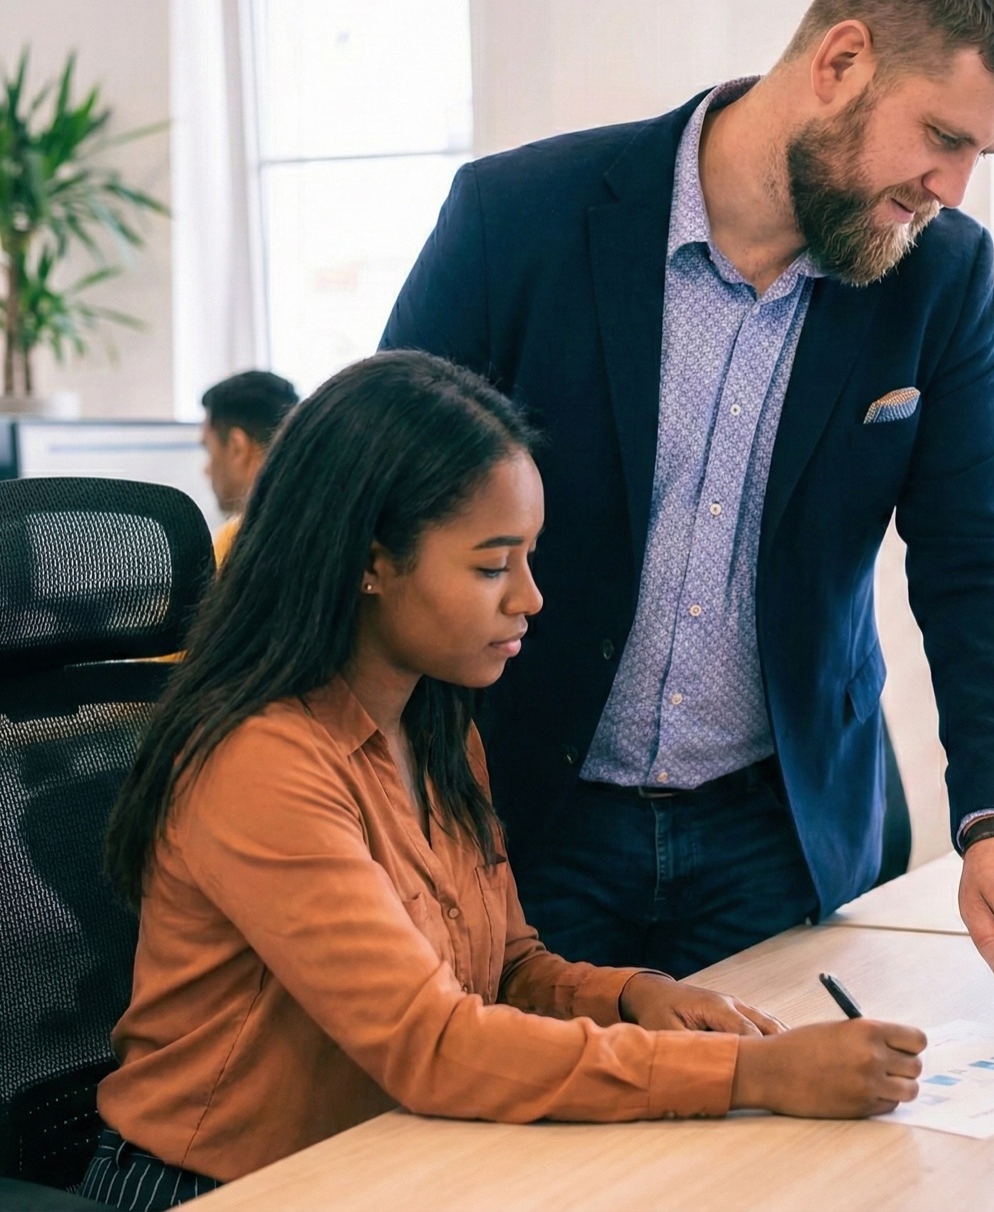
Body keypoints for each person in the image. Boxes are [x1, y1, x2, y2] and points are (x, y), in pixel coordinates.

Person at [381, 0, 994, 1005]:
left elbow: (978, 555)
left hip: (779, 830)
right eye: (941, 137)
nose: (950, 185)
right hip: (522, 815)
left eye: (978, 157)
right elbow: (375, 497)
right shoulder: (520, 218)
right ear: (840, 62)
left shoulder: (939, 275)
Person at [88, 352, 924, 1208]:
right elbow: (434, 1044)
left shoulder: (434, 724)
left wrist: (637, 995)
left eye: (529, 558)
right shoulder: (263, 763)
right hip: (215, 1187)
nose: (530, 597)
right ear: (370, 563)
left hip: (387, 1161)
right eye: (493, 566)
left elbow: (503, 968)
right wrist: (750, 1073)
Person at [199, 370, 299, 563]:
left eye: (210, 452)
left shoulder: (235, 543)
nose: (206, 470)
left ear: (238, 447)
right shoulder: (322, 523)